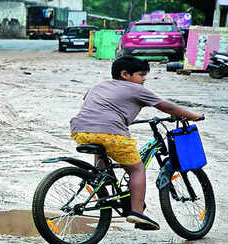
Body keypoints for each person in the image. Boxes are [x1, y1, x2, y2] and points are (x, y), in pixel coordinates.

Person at [70, 56, 203, 231]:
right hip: (110, 133)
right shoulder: (136, 89)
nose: (144, 79)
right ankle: (137, 212)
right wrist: (193, 116)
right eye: (141, 75)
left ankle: (102, 179)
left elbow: (100, 107)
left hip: (81, 131)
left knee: (102, 143)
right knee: (136, 169)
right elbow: (166, 107)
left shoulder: (98, 86)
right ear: (125, 74)